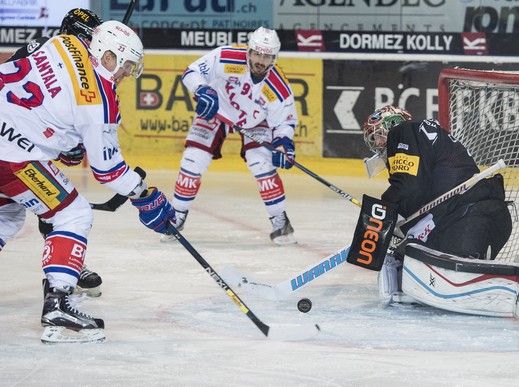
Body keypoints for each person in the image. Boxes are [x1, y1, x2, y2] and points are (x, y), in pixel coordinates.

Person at [0, 20, 176, 343]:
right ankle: (58, 304)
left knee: (6, 214)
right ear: (108, 56)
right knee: (73, 213)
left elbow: (40, 91)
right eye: (125, 66)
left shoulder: (63, 42)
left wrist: (67, 140)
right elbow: (108, 169)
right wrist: (144, 195)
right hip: (11, 154)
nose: (125, 75)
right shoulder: (100, 100)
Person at [360, 105, 512, 302]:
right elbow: (420, 189)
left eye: (379, 135)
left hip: (472, 216)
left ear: (393, 125)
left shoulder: (403, 131)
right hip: (468, 216)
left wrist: (383, 213)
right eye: (374, 139)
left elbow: (408, 187)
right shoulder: (421, 137)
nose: (378, 142)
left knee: (459, 277)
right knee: (405, 258)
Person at [163, 26, 299, 245]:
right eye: (257, 53)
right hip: (217, 111)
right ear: (249, 50)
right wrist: (202, 90)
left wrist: (283, 143)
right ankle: (176, 217)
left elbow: (286, 121)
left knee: (261, 164)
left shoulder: (278, 86)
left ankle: (280, 221)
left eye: (267, 56)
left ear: (275, 57)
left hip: (255, 123)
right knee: (192, 160)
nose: (261, 60)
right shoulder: (227, 57)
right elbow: (192, 72)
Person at [7, 7, 105, 297]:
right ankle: (62, 275)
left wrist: (70, 146)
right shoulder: (47, 54)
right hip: (12, 146)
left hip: (20, 147)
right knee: (63, 211)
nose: (92, 45)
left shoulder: (69, 61)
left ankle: (66, 268)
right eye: (88, 37)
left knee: (31, 210)